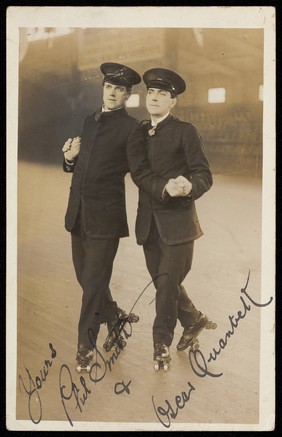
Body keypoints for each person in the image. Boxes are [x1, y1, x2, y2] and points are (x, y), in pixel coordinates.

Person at [129, 67, 215, 369]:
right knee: (164, 284)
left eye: (161, 94)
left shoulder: (186, 131)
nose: (154, 98)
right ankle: (194, 320)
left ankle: (160, 343)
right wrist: (163, 187)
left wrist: (191, 185)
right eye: (150, 93)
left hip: (178, 226)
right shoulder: (138, 132)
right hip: (148, 226)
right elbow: (138, 173)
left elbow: (204, 174)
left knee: (166, 285)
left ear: (172, 101)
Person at [62, 62, 144, 371]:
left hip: (106, 219)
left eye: (119, 90)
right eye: (109, 87)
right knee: (86, 279)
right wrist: (69, 158)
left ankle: (85, 346)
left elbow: (138, 171)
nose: (112, 93)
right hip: (78, 214)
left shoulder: (131, 128)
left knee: (93, 283)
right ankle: (116, 316)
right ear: (103, 89)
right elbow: (81, 165)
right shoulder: (89, 120)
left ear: (127, 96)